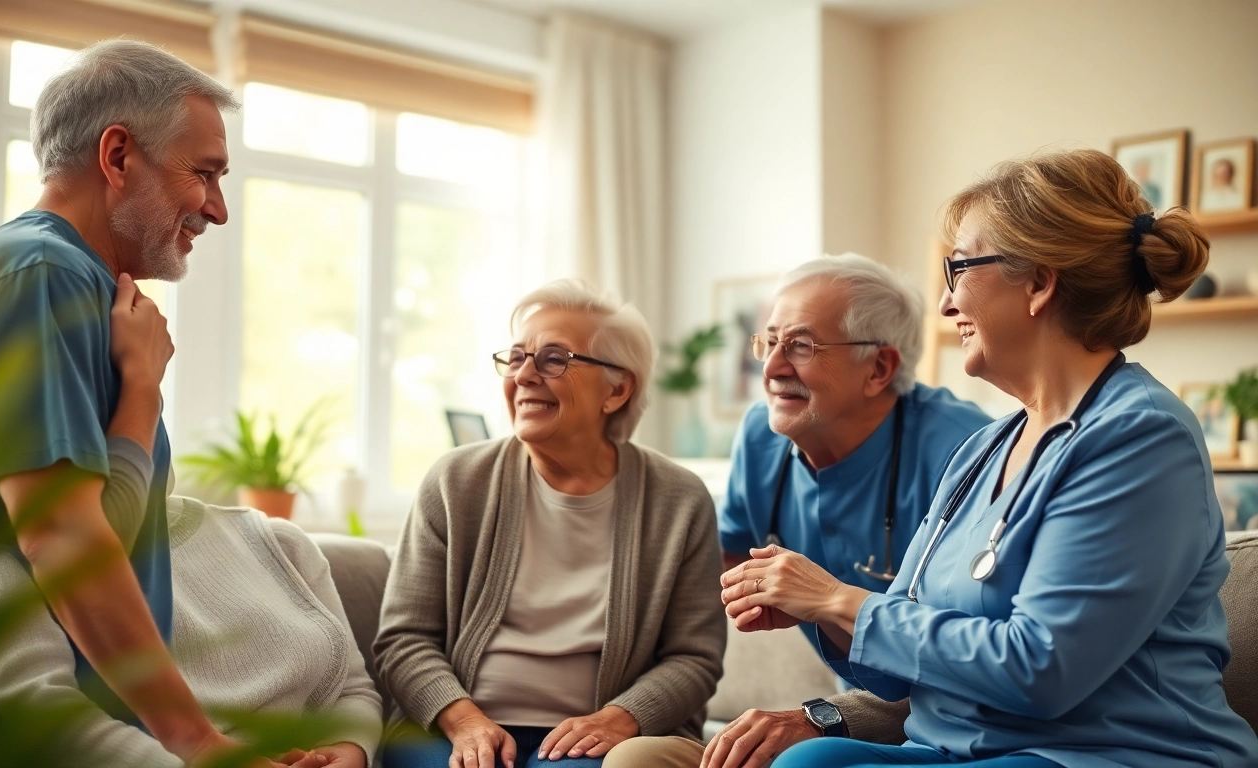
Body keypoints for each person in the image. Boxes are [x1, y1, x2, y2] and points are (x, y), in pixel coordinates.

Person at [721, 148, 1258, 767]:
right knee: (806, 763)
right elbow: (896, 670)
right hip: (962, 750)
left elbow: (1041, 669)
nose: (946, 304)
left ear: (1038, 283)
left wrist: (836, 599)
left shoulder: (1141, 437)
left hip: (1104, 755)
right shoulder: (983, 450)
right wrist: (814, 610)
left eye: (959, 269)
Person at [0, 39, 248, 764]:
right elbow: (63, 541)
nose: (218, 210)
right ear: (118, 156)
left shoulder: (77, 287)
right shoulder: (36, 273)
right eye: (204, 174)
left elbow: (102, 531)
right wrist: (197, 742)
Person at [0, 280, 382, 768]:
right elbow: (49, 720)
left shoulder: (276, 540)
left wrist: (348, 752)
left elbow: (353, 688)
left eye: (128, 387)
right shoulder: (4, 569)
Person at [374, 279, 726, 768]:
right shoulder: (456, 481)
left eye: (554, 359)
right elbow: (403, 639)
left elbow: (694, 657)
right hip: (452, 730)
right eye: (517, 357)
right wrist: (465, 721)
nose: (524, 375)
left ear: (616, 390)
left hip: (594, 740)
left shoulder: (679, 500)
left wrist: (620, 717)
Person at [701, 256, 989, 768]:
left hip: (951, 729)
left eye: (801, 346)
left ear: (879, 368)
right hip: (851, 719)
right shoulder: (760, 439)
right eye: (769, 343)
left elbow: (967, 668)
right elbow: (723, 567)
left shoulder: (966, 452)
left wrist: (824, 717)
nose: (770, 368)